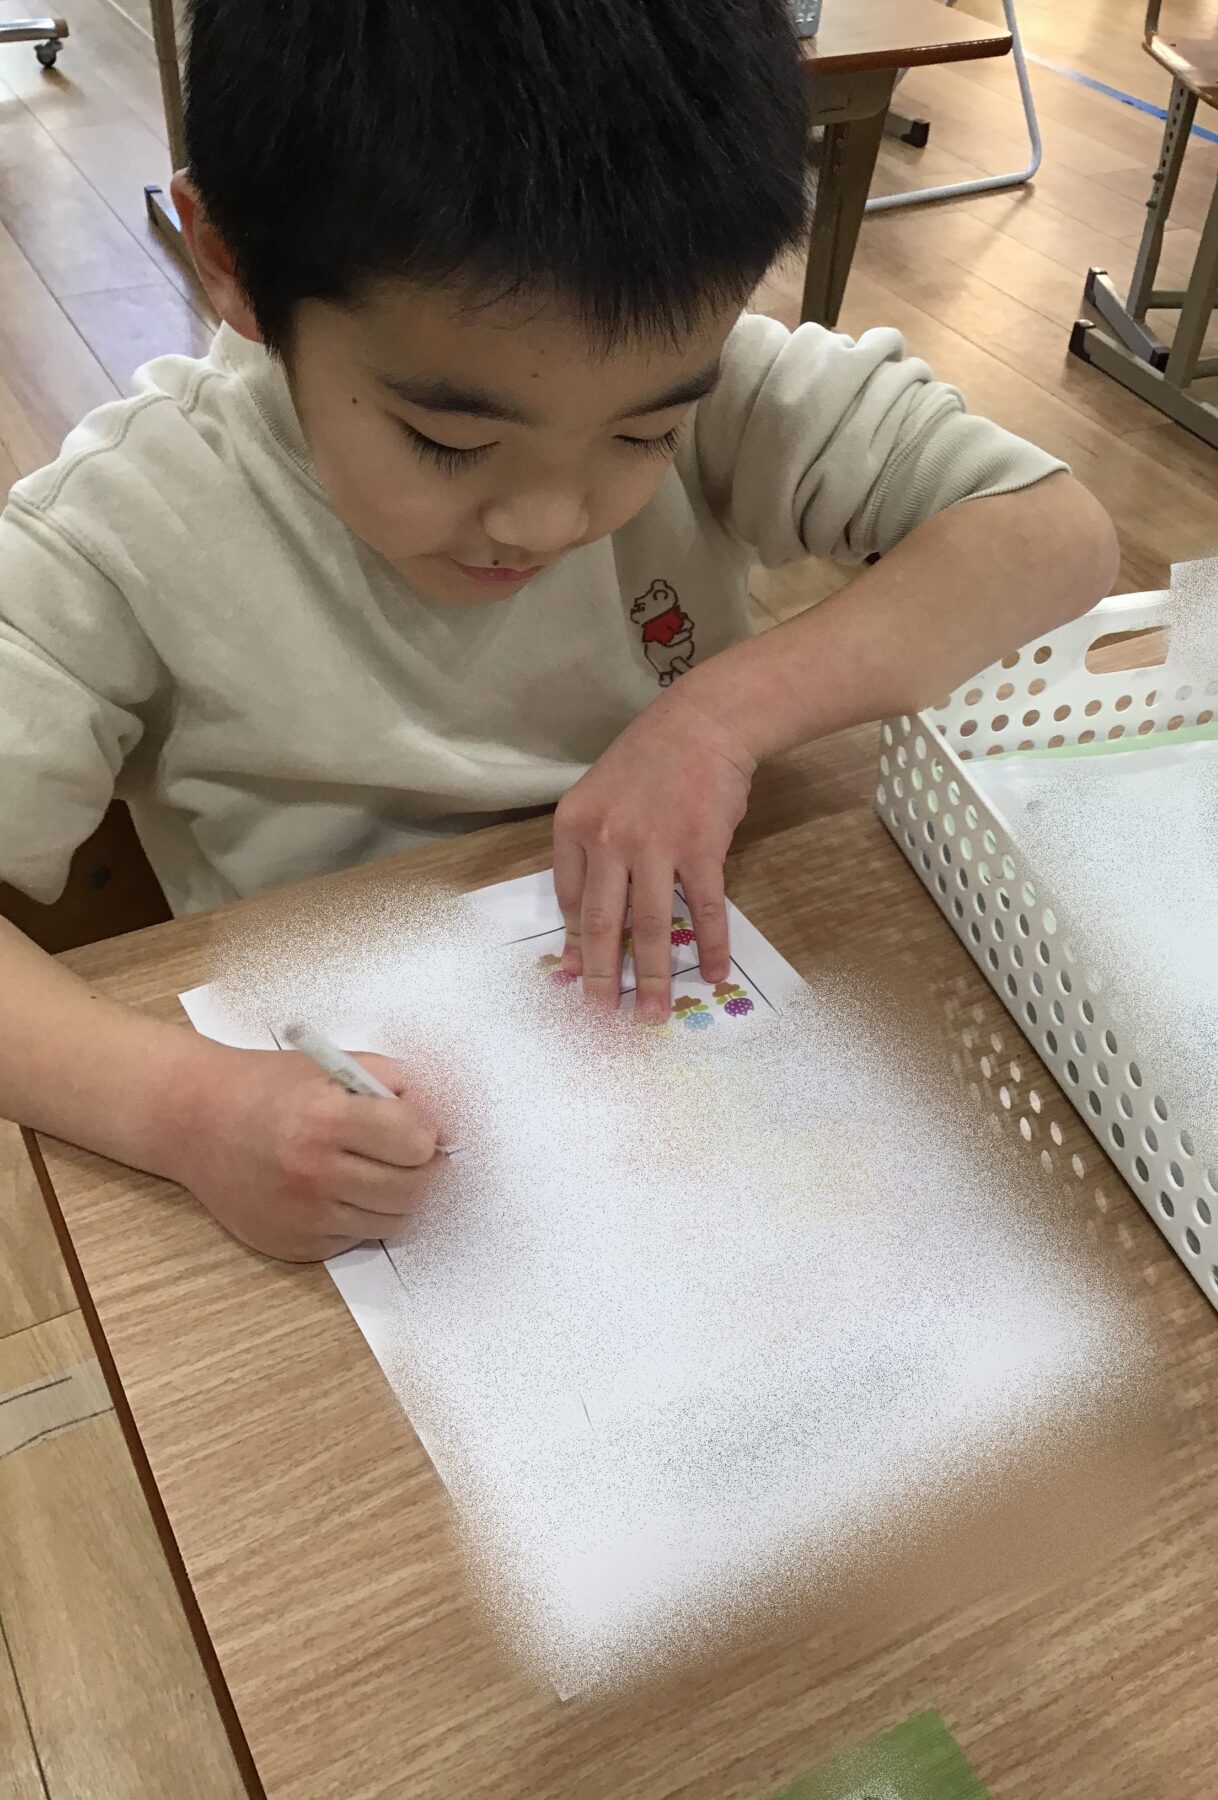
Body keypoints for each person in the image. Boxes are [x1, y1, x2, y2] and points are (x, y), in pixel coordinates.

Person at [0, 0, 1118, 1261]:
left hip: (689, 1058)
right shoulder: (125, 527)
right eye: (451, 442)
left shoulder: (711, 382)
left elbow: (1055, 533)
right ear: (232, 263)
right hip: (349, 1151)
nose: (548, 520)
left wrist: (717, 717)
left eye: (644, 435)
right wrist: (184, 1107)